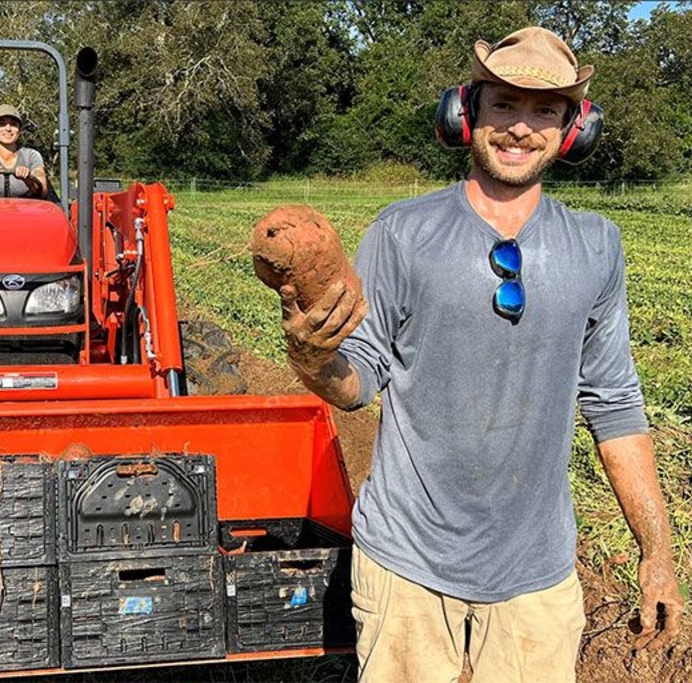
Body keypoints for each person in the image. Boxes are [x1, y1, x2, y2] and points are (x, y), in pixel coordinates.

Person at [279, 26, 684, 683]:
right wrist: (310, 355)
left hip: (536, 572)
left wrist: (657, 552)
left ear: (574, 128)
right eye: (503, 104)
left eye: (543, 110)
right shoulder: (402, 233)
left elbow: (616, 407)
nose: (520, 128)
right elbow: (358, 381)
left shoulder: (596, 247)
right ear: (465, 112)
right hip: (407, 563)